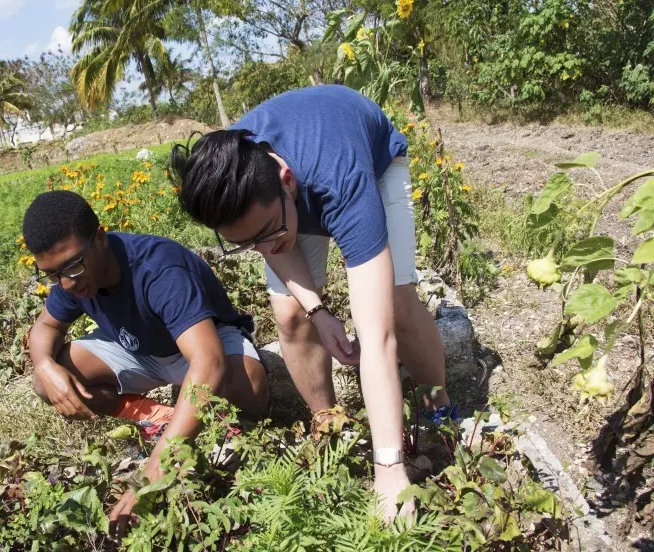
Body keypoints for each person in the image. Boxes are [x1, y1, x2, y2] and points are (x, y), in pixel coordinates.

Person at [170, 84, 458, 520]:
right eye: (245, 243)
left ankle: (439, 404)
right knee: (289, 314)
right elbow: (271, 243)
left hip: (373, 160)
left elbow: (375, 337)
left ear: (287, 182)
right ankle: (329, 423)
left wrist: (388, 467)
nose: (263, 249)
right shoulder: (238, 176)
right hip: (287, 193)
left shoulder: (341, 179)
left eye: (265, 234)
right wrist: (318, 312)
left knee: (395, 305)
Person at [22, 190, 268, 537]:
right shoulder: (70, 272)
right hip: (139, 350)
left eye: (73, 267)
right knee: (46, 380)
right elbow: (46, 326)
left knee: (251, 391)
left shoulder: (158, 268)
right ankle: (156, 415)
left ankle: (183, 414)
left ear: (101, 239)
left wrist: (157, 463)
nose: (66, 284)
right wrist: (45, 366)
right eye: (52, 274)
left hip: (200, 344)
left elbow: (207, 361)